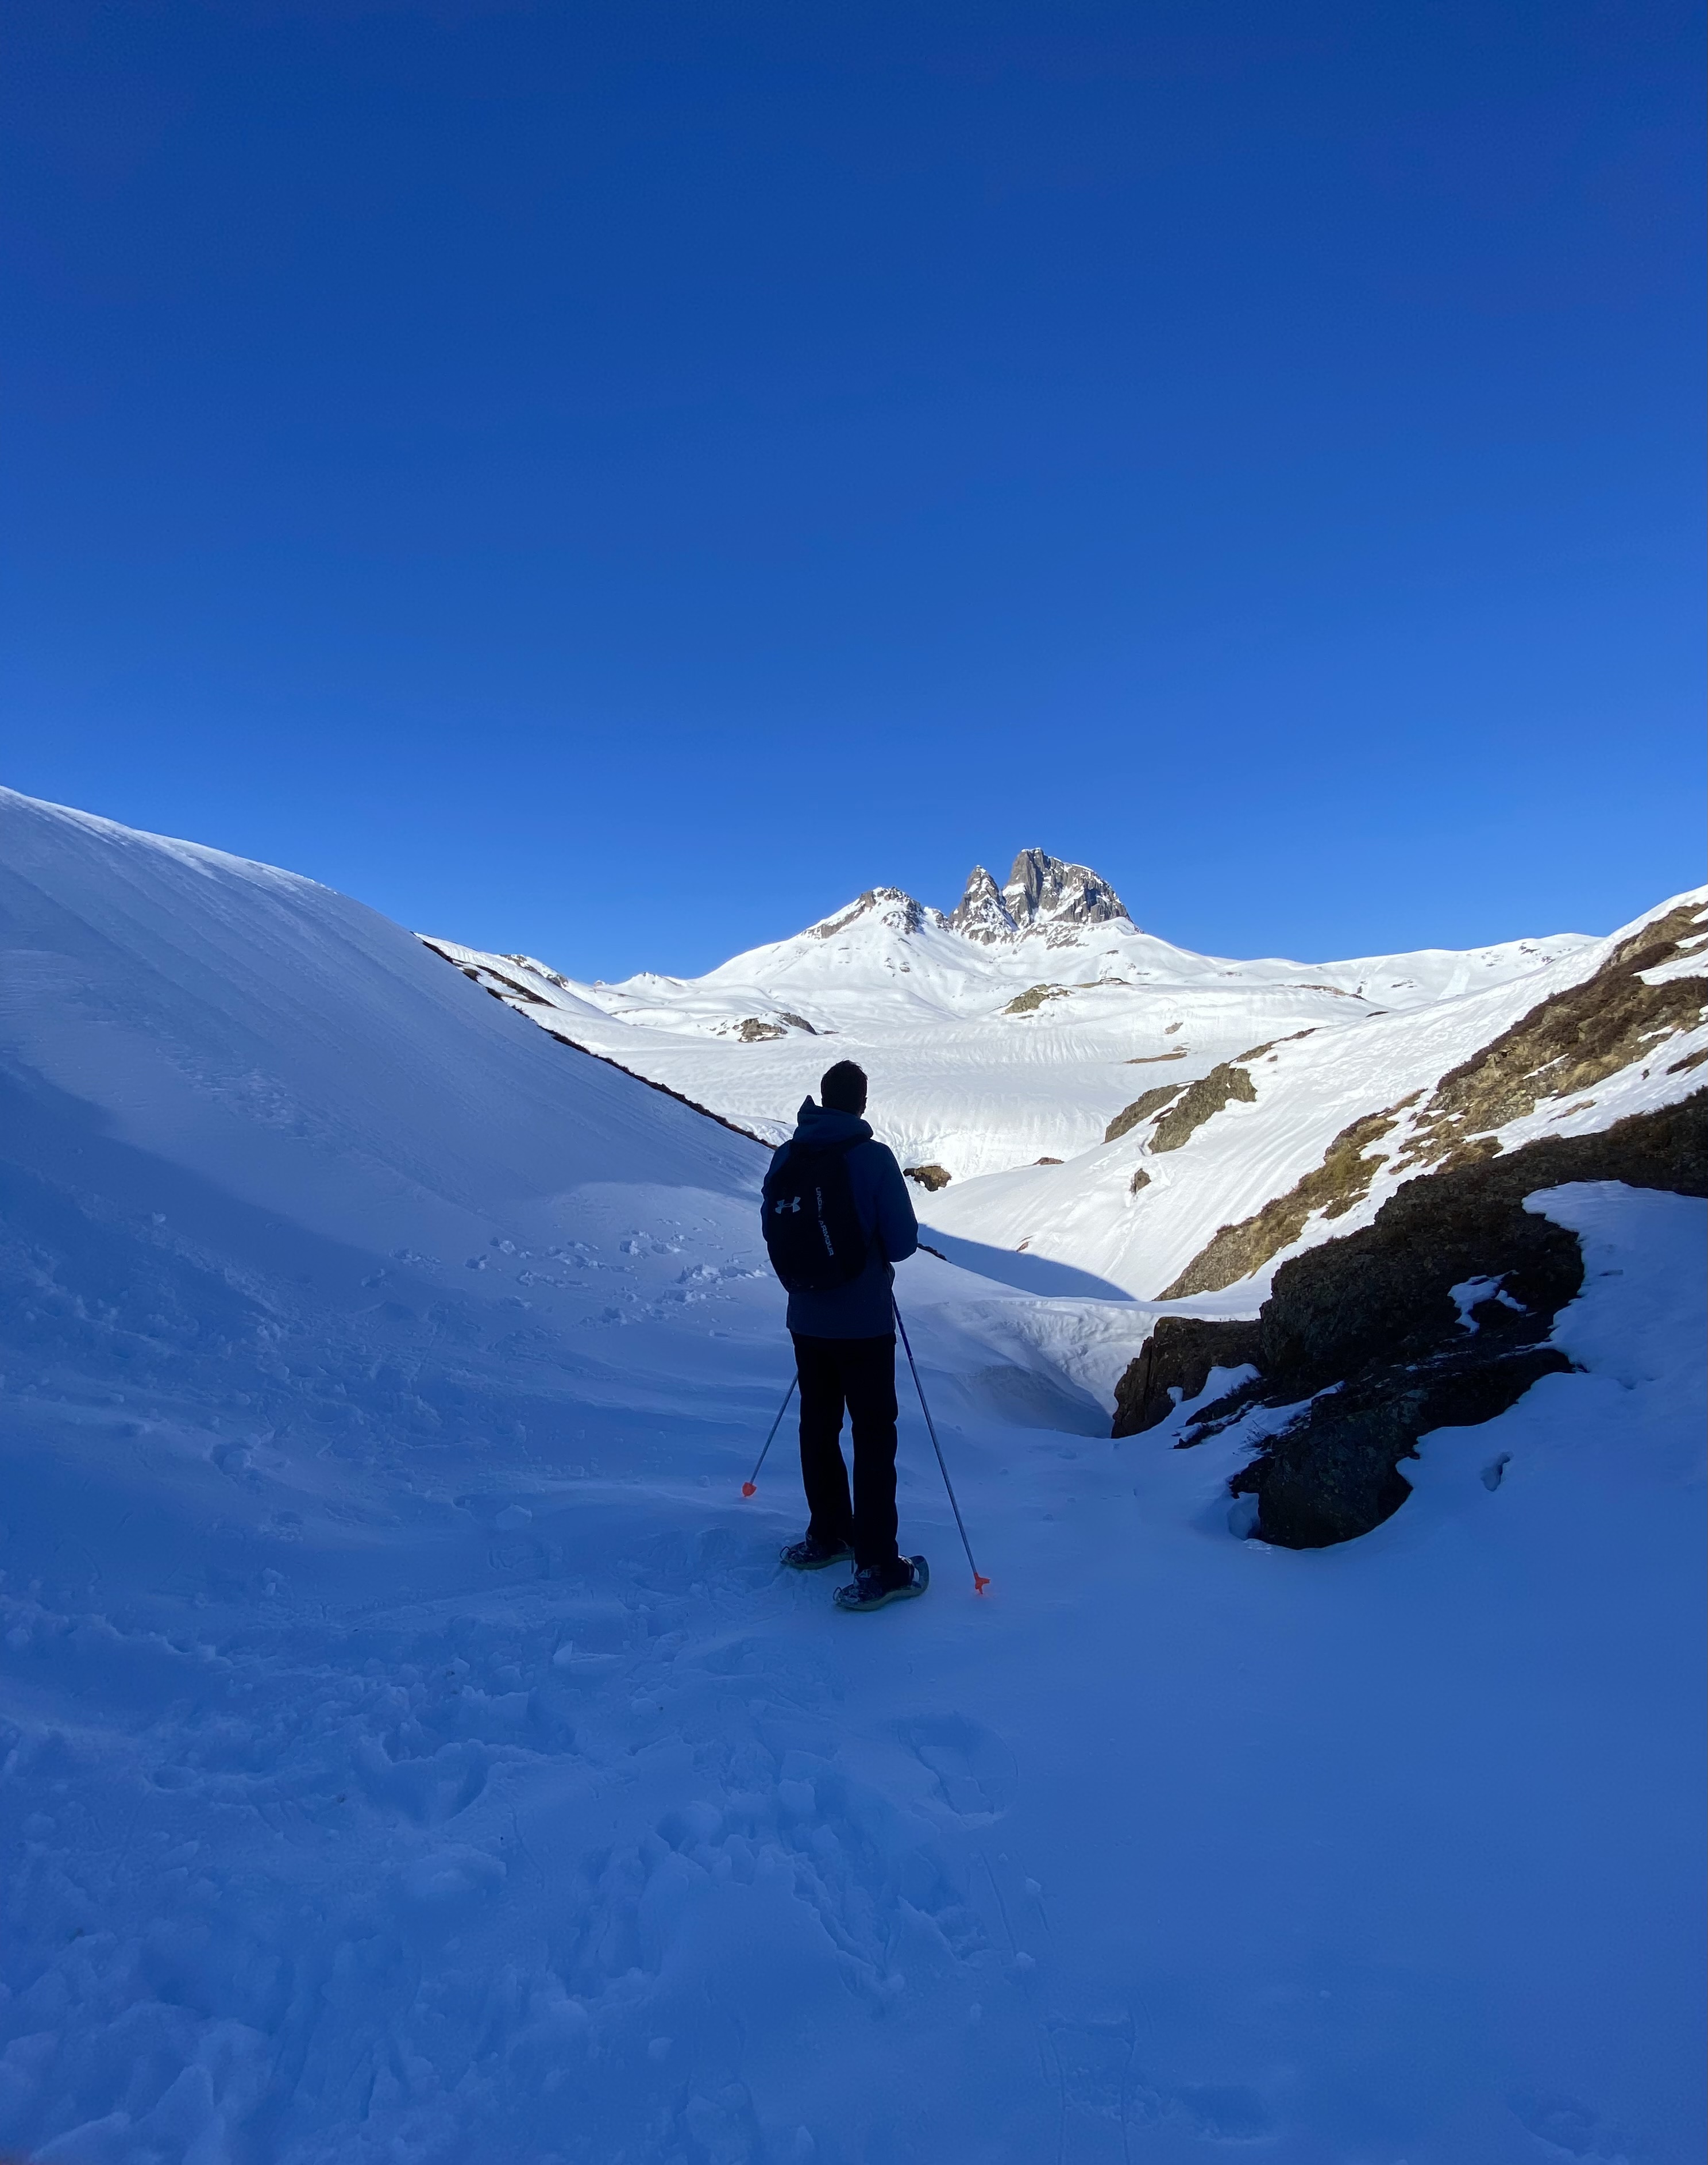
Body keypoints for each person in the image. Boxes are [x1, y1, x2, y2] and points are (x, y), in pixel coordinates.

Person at [764, 1060, 928, 1611]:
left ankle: (827, 1534)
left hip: (806, 1318)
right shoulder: (872, 1157)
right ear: (860, 1103)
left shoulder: (788, 1155)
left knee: (818, 1426)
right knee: (874, 1437)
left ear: (821, 1098)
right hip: (864, 1324)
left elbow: (774, 1229)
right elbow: (902, 1243)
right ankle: (879, 1565)